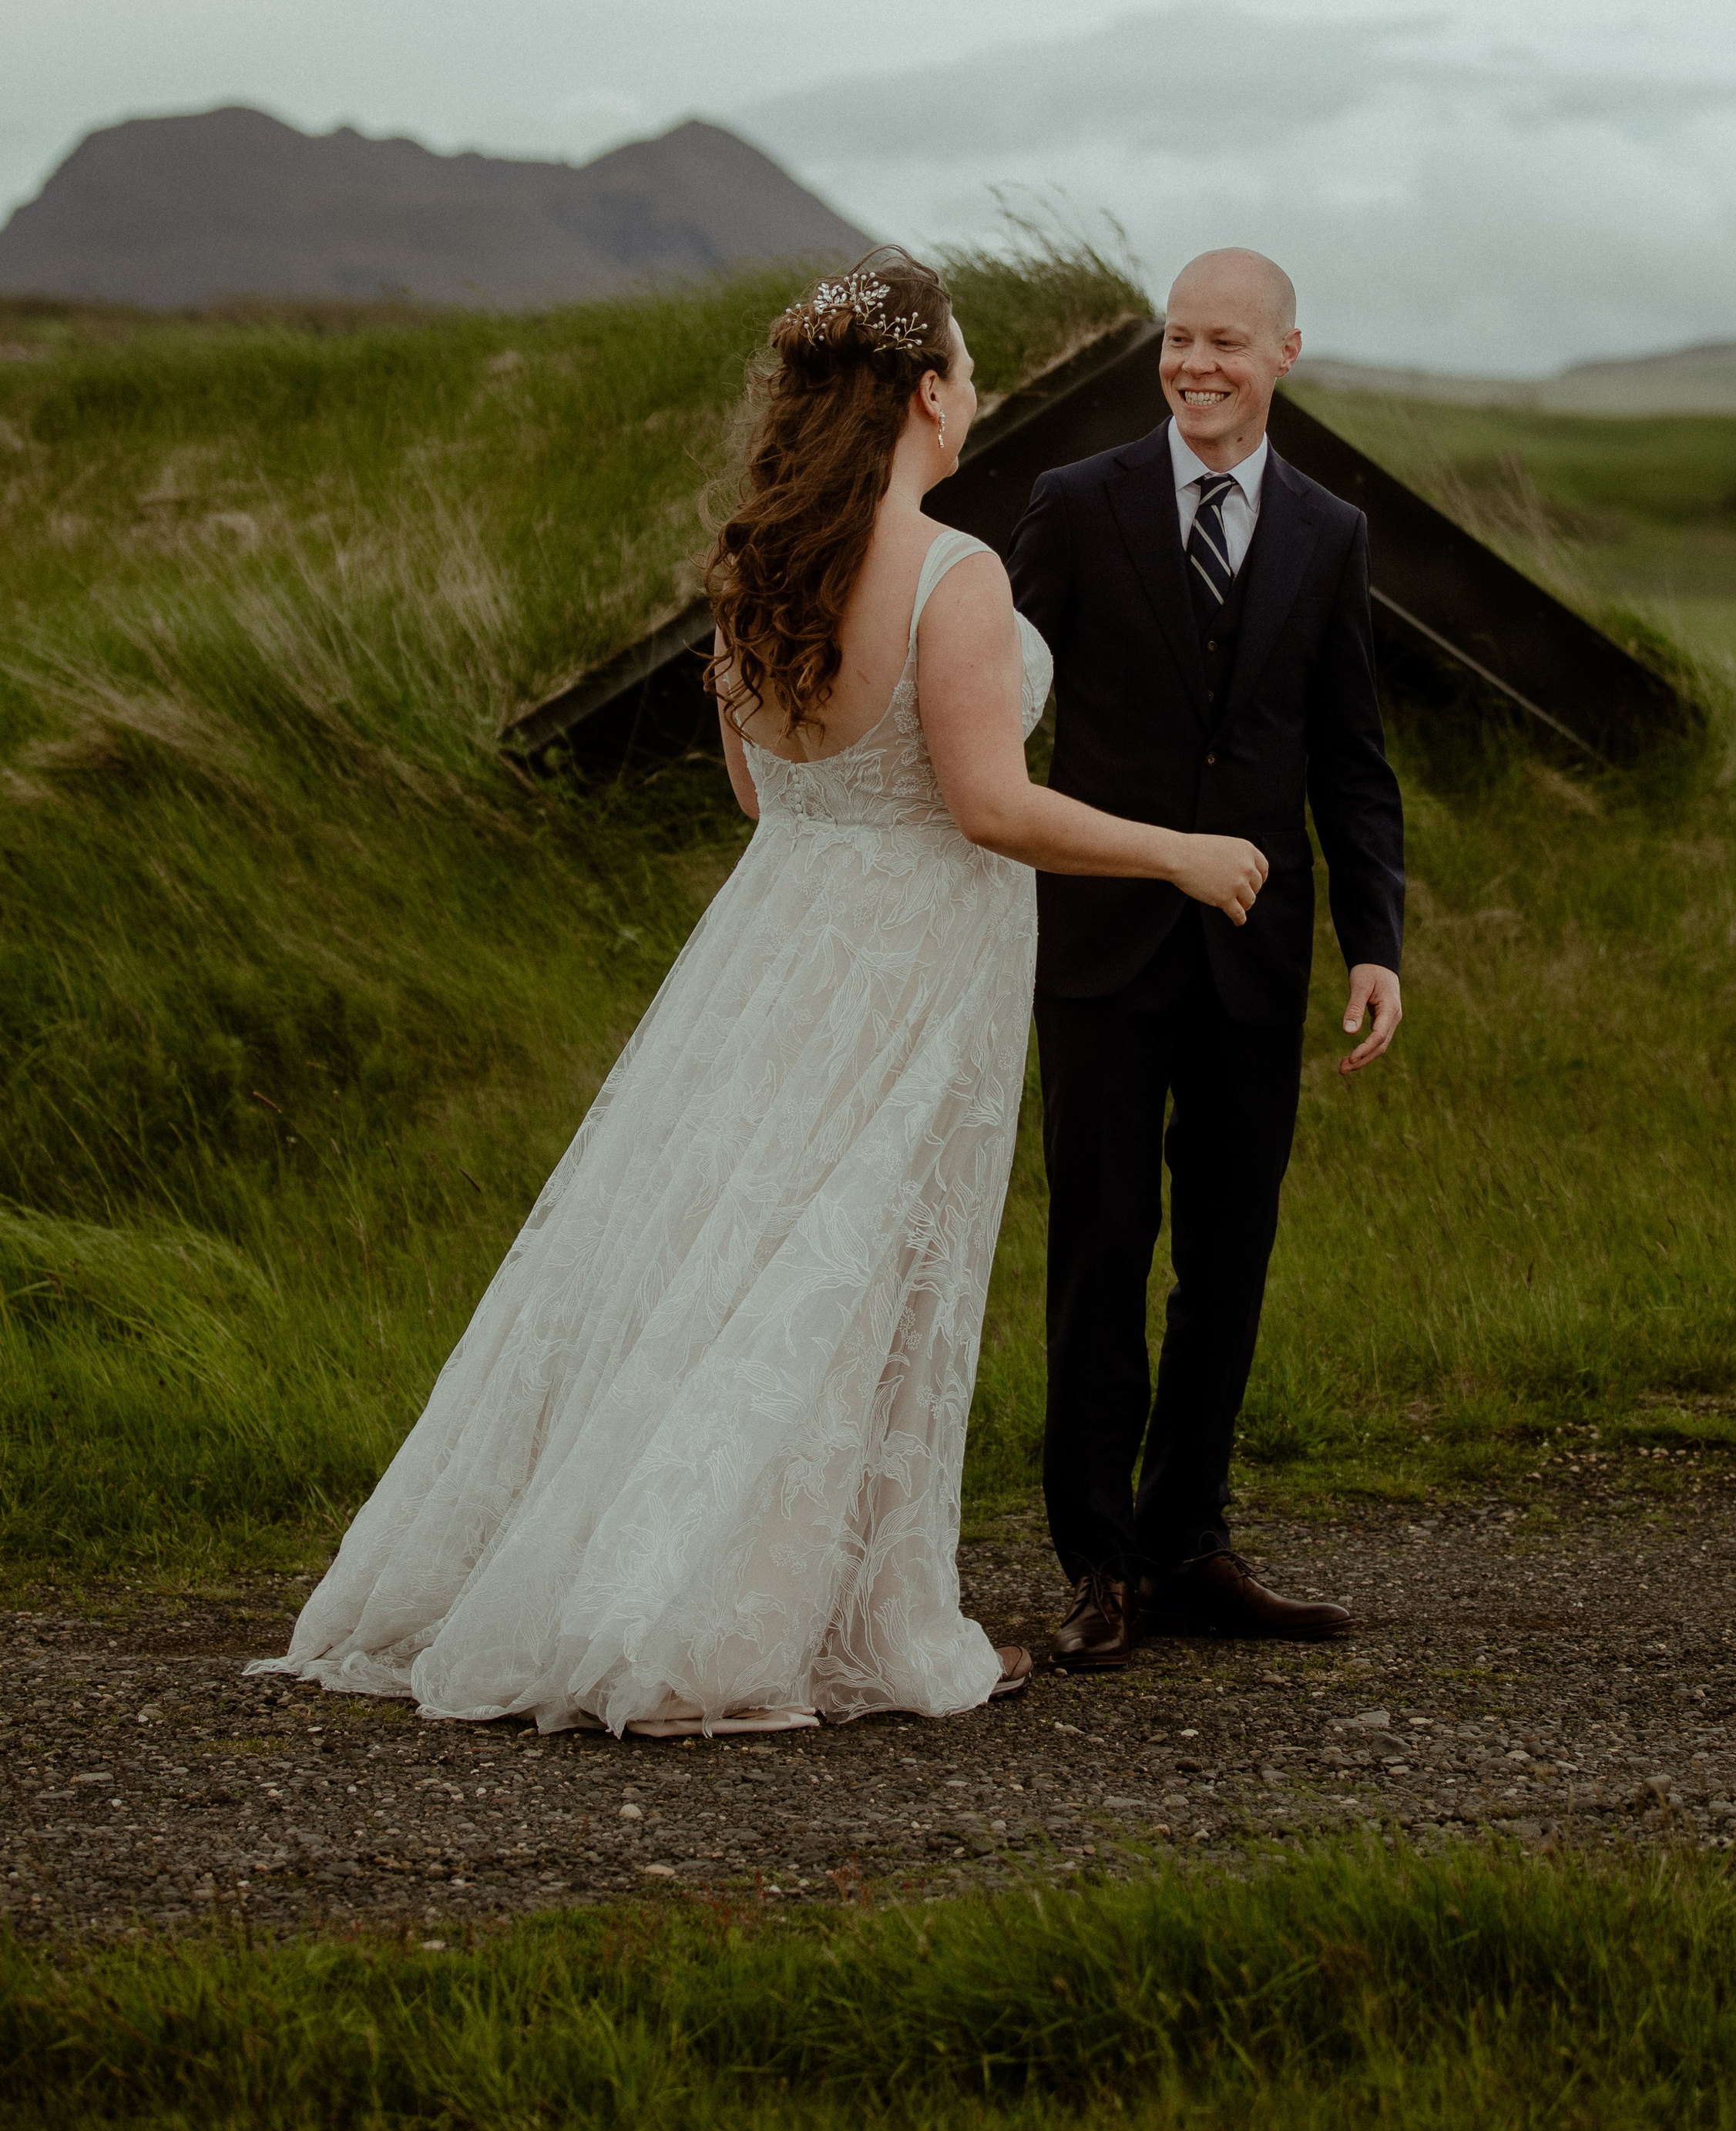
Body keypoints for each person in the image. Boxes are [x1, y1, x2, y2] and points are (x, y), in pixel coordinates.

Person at [251, 248, 1267, 1738]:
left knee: (733, 1252)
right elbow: (990, 807)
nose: (976, 395)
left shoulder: (757, 563)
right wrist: (1178, 852)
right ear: (927, 393)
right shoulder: (953, 569)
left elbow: (755, 787)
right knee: (860, 1267)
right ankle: (759, 1616)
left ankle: (665, 1576)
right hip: (916, 945)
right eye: (970, 371)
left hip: (777, 937)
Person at [1007, 247, 1405, 1672]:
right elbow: (989, 707)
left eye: (1225, 343)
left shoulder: (1329, 530)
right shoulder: (1077, 504)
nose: (1194, 366)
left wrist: (1379, 942)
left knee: (1228, 1260)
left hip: (1258, 954)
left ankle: (1189, 1546)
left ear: (1285, 353)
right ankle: (1099, 1566)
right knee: (1102, 1251)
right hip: (1102, 948)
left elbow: (1352, 761)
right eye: (1178, 340)